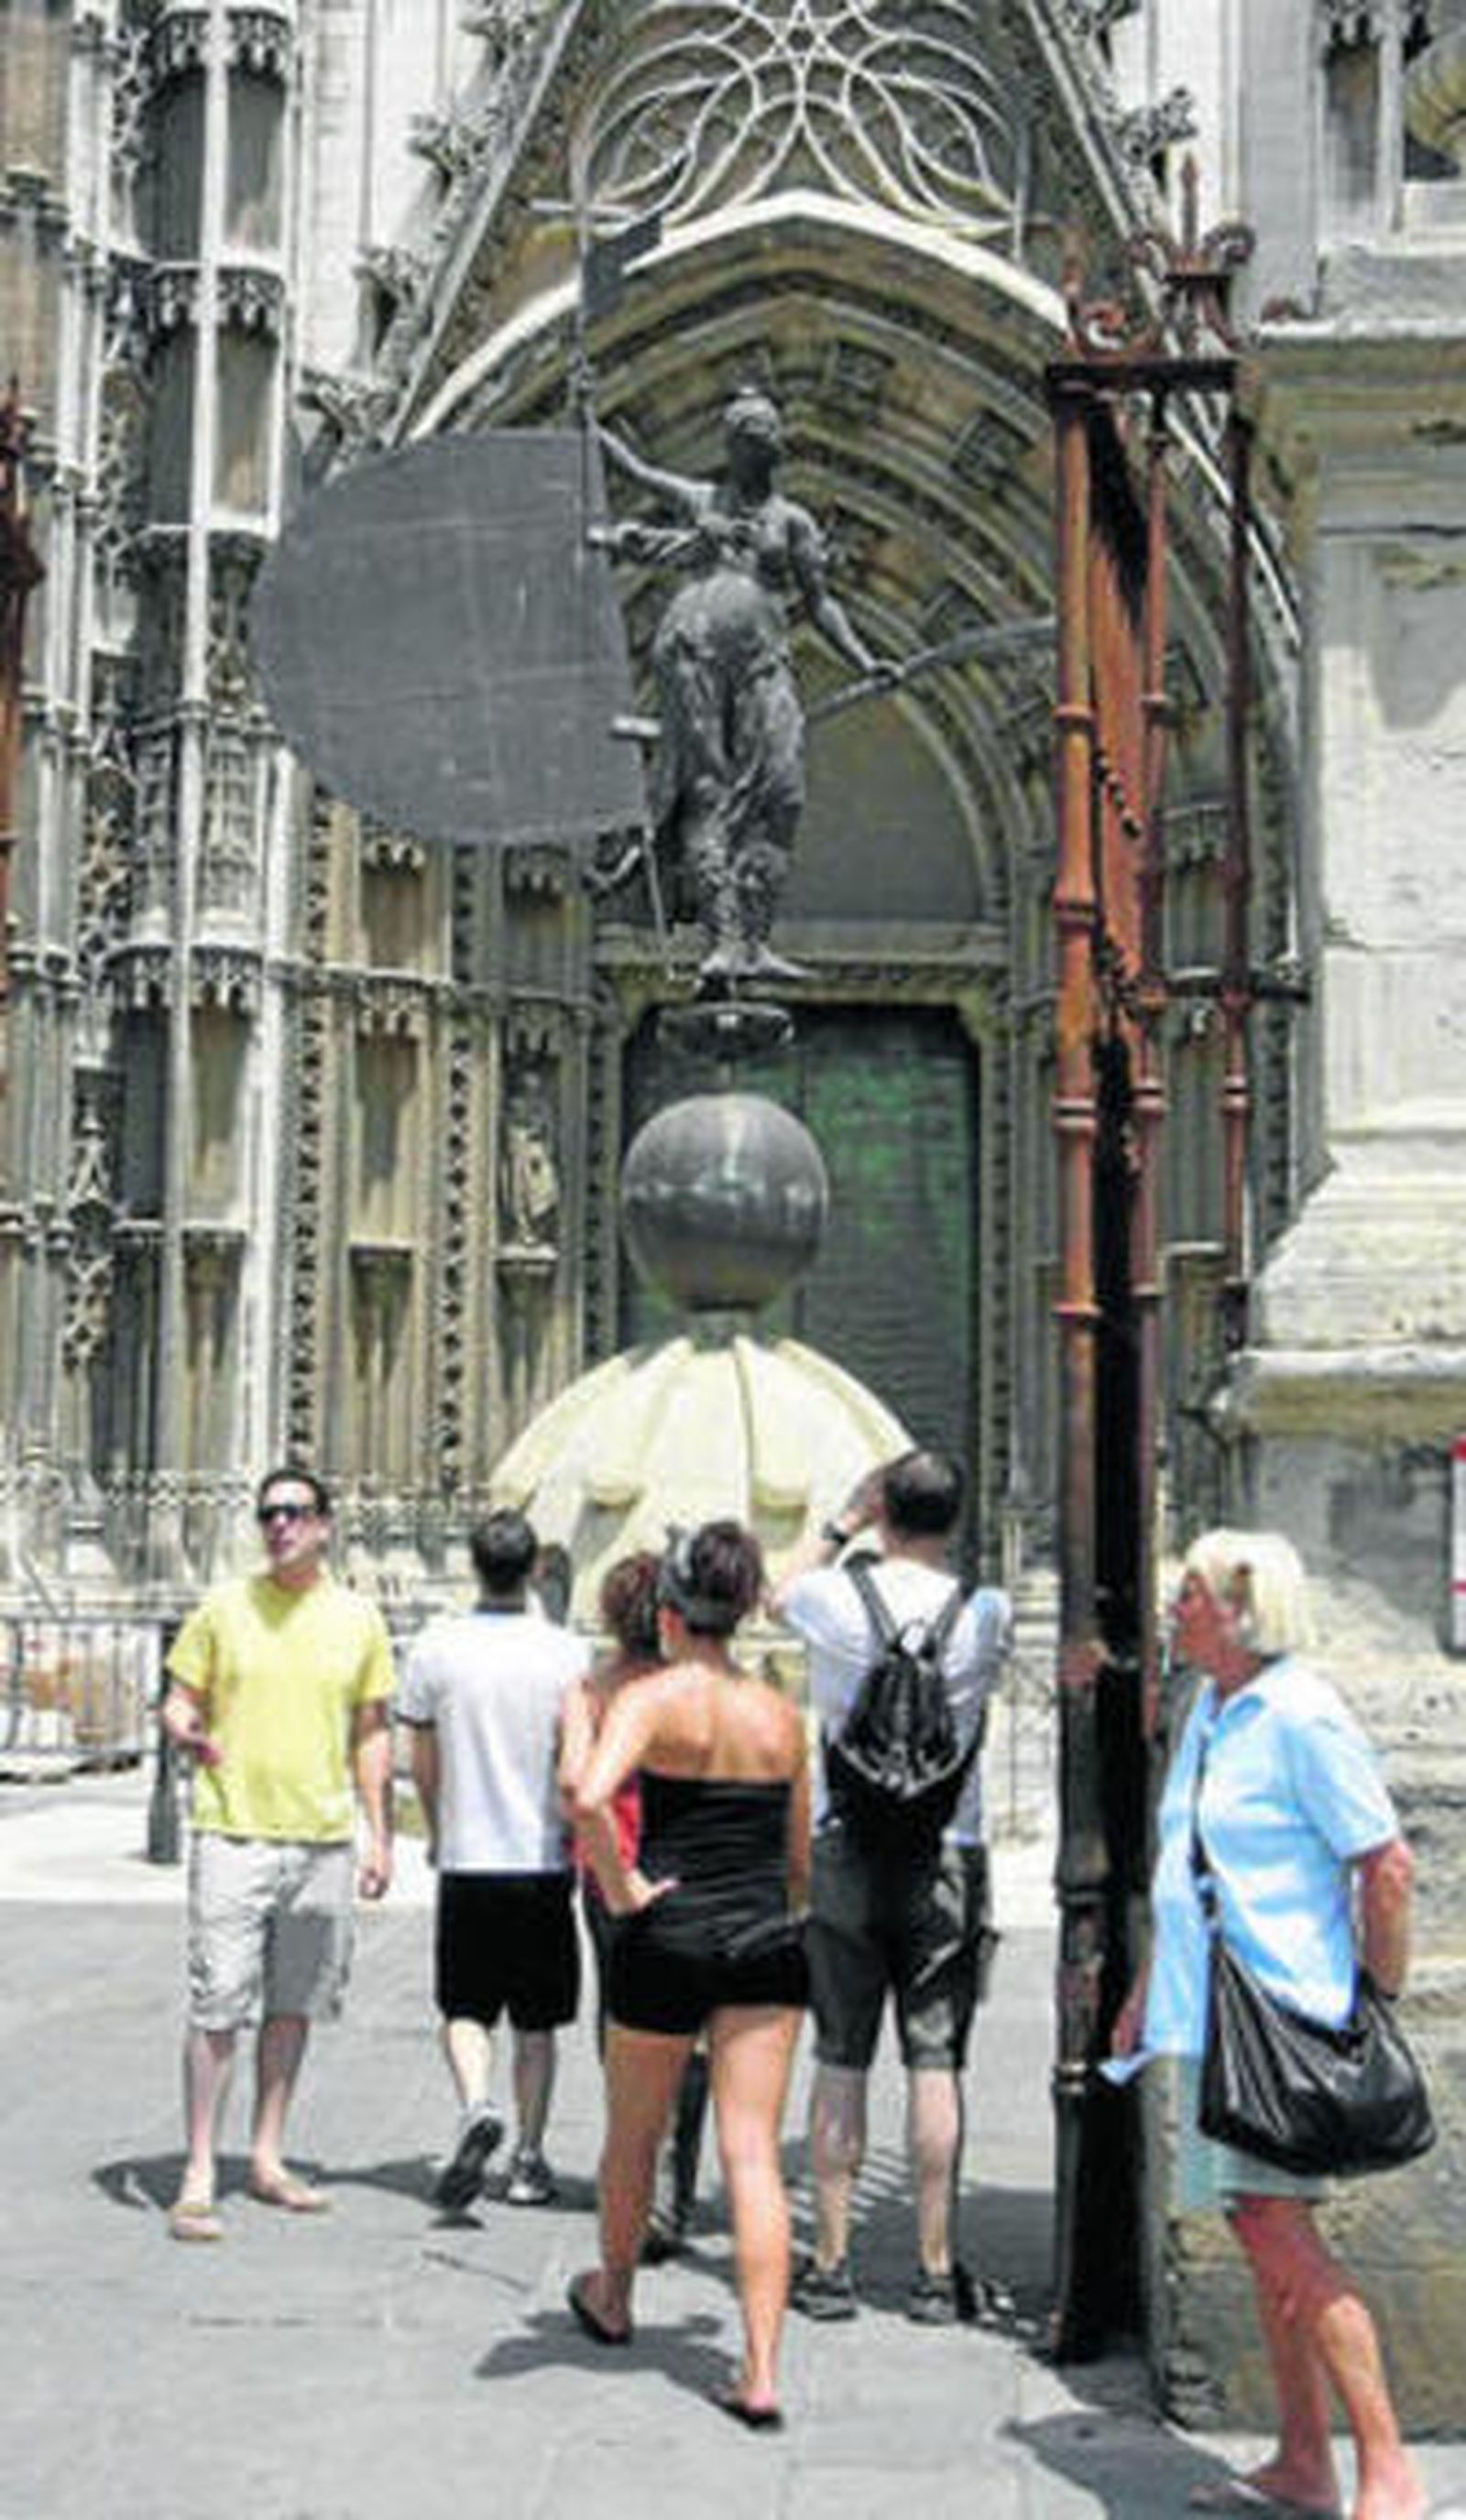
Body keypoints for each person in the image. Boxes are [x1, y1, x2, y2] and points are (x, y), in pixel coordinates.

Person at [1110, 1529, 1424, 2520]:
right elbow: (1187, 1868)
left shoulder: (1301, 1714)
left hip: (1279, 2015)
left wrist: (1373, 1996)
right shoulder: (1214, 1706)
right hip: (1209, 2017)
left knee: (1277, 2230)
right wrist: (1141, 1996)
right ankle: (1302, 2460)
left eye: (1190, 1593)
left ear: (1244, 1608)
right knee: (1258, 2234)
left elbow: (1385, 1864)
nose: (1174, 1607)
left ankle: (1388, 2472)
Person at [567, 1521, 810, 2430]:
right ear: (744, 1611)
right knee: (752, 2152)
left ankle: (614, 2296)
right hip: (762, 1937)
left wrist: (623, 1888)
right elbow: (796, 1858)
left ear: (670, 1612)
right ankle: (759, 2369)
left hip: (667, 1930)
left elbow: (588, 1795)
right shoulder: (782, 1715)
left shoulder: (652, 1698)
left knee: (635, 2134)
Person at [771, 1446, 1012, 2325]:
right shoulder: (987, 1612)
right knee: (936, 2060)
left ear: (886, 1511)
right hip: (948, 1849)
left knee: (840, 2057)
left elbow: (775, 1591)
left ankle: (830, 2264)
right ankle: (934, 2268)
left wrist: (842, 1523)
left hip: (847, 1845)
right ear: (956, 1517)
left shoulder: (834, 1600)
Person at [159, 1466, 394, 2241]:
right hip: (232, 1832)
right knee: (218, 2000)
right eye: (269, 1514)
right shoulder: (223, 1608)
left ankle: (266, 2154)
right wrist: (182, 1726)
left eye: (295, 1513)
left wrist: (379, 1833)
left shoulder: (358, 1619)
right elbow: (179, 1697)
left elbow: (370, 1730)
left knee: (293, 2008)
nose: (280, 1525)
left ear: (326, 1524)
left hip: (320, 1839)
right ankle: (201, 2166)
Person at [596, 386, 897, 981]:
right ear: (729, 446)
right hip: (692, 646)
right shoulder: (702, 496)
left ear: (775, 447)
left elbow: (821, 603)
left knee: (780, 791)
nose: (756, 444)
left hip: (763, 656)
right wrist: (588, 422)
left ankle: (754, 939)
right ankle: (723, 939)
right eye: (744, 435)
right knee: (706, 790)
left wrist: (866, 661)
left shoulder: (793, 523)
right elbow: (636, 469)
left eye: (764, 434)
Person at [398, 1509, 590, 2212]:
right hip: (541, 1858)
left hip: (469, 1855)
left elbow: (420, 1750)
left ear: (472, 1564)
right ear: (536, 1566)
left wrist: (439, 1821)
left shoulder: (435, 1648)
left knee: (466, 2007)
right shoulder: (567, 1654)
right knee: (536, 2022)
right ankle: (531, 2158)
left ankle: (477, 2102)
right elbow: (577, 1758)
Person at [558, 1549, 711, 2260]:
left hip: (610, 1875)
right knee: (690, 2031)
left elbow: (572, 1782)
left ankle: (630, 2172)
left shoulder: (590, 1689)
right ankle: (673, 2191)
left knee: (621, 2020)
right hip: (685, 1875)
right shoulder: (696, 1690)